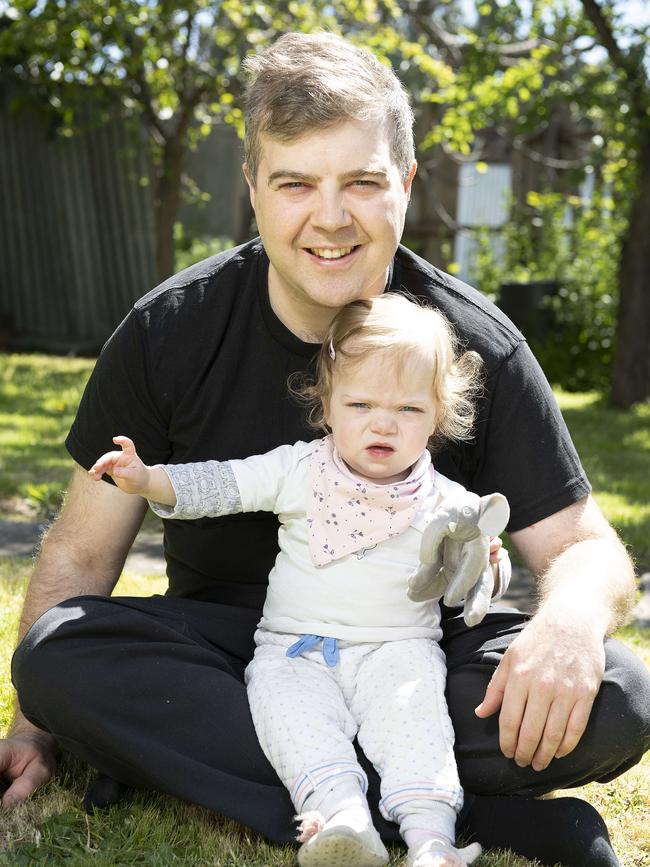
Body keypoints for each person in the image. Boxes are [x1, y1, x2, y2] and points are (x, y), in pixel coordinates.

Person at [2, 30, 649, 867]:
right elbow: (83, 553)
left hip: (411, 655)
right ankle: (442, 817)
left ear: (406, 185)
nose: (331, 217)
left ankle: (247, 776)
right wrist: (35, 727)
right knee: (56, 653)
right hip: (237, 655)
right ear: (254, 189)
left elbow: (586, 550)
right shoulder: (170, 331)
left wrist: (566, 619)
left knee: (619, 693)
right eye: (297, 183)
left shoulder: (475, 345)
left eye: (363, 182)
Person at [87, 294, 508, 867]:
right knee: (293, 721)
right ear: (327, 404)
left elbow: (475, 566)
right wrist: (150, 480)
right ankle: (342, 819)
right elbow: (224, 485)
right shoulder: (301, 469)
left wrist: (488, 558)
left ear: (438, 416)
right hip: (296, 647)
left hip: (399, 649)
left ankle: (432, 842)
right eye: (361, 403)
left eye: (409, 410)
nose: (383, 423)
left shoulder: (447, 501)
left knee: (417, 727)